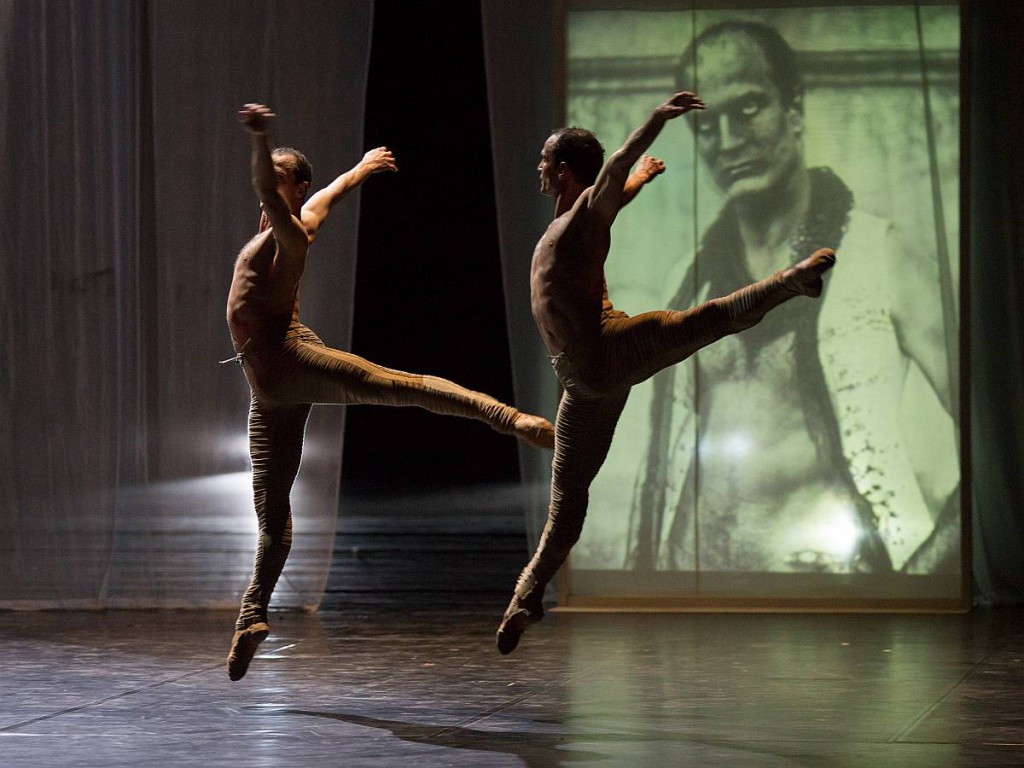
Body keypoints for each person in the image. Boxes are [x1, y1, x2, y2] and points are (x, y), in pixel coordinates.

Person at [495, 90, 836, 654]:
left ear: (562, 170)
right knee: (566, 500)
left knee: (703, 321)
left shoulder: (581, 215)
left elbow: (614, 169)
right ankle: (526, 596)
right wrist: (639, 185)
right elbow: (614, 193)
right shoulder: (573, 219)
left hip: (611, 348)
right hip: (581, 386)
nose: (537, 168)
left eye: (544, 160)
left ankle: (791, 281)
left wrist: (655, 121)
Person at [225, 104, 555, 680]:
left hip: (291, 359)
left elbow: (275, 189)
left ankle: (510, 419)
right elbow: (330, 191)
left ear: (290, 189)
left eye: (278, 177)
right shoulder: (297, 214)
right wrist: (362, 167)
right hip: (268, 390)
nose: (265, 187)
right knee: (271, 513)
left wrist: (261, 138)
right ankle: (252, 614)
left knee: (396, 386)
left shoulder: (289, 233)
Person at [628, 21, 958, 578]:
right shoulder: (693, 280)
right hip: (694, 594)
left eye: (750, 107)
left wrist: (916, 577)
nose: (728, 141)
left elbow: (996, 451)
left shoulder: (881, 255)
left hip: (844, 595)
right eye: (709, 126)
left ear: (794, 110)